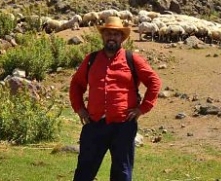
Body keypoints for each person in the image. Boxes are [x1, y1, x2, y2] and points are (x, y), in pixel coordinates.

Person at [69, 16, 161, 181]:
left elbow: (154, 81)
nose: (112, 37)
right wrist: (80, 109)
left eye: (116, 34)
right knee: (84, 172)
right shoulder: (91, 60)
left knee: (122, 174)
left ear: (122, 38)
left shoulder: (131, 59)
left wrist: (142, 108)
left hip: (123, 127)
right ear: (103, 36)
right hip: (94, 124)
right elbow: (76, 84)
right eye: (108, 33)